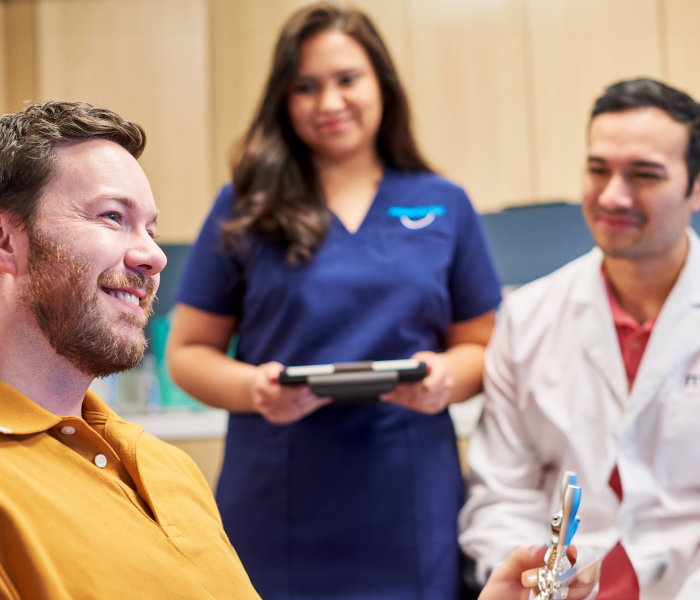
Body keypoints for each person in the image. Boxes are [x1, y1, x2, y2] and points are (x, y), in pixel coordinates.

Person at [167, 3, 501, 599]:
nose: (328, 103)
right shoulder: (244, 205)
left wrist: (444, 377)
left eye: (347, 79)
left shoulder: (443, 203)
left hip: (408, 498)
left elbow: (483, 345)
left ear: (382, 84)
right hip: (279, 494)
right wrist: (255, 391)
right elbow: (188, 352)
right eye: (305, 87)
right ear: (284, 100)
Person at [0, 101, 261, 599]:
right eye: (113, 217)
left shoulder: (169, 468)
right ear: (0, 238)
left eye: (151, 230)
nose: (154, 257)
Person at [459, 77, 700, 600]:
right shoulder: (527, 317)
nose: (612, 195)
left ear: (696, 186)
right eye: (598, 169)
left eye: (644, 174)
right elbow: (502, 494)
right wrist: (528, 575)